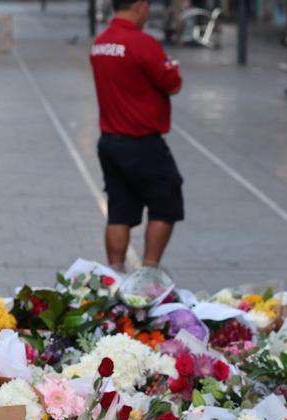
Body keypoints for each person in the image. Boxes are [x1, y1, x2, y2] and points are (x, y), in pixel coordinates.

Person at [90, 0, 184, 273]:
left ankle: (114, 273)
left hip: (109, 141)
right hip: (142, 141)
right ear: (140, 5)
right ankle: (148, 271)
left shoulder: (101, 43)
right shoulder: (142, 43)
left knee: (119, 210)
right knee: (166, 202)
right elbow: (173, 83)